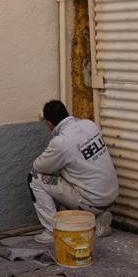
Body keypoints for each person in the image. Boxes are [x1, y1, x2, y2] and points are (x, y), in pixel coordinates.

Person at [28, 100, 118, 244]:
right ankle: (99, 220)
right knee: (72, 173)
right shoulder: (89, 124)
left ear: (50, 123)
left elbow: (38, 167)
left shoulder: (61, 143)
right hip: (111, 196)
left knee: (34, 178)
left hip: (91, 201)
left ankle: (53, 230)